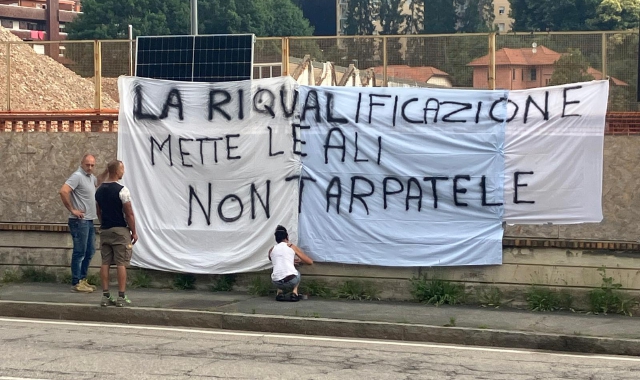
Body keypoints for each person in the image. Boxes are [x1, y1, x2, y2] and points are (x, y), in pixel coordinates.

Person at [95, 160, 138, 307]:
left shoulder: (99, 190)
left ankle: (105, 295)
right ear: (116, 171)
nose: (123, 172)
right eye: (122, 169)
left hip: (105, 230)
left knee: (105, 263)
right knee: (121, 263)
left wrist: (103, 223)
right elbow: (129, 213)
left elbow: (98, 211)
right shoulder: (122, 190)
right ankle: (121, 296)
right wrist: (134, 231)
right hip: (120, 230)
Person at [59, 154, 98, 293]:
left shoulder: (91, 178)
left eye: (92, 165)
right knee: (80, 251)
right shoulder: (77, 176)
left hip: (89, 220)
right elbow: (64, 191)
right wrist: (72, 210)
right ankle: (76, 282)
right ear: (82, 163)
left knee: (90, 250)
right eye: (87, 164)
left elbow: (99, 183)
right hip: (79, 221)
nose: (90, 167)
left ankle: (82, 279)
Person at [268, 225, 313, 302]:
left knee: (277, 270)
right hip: (291, 281)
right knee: (297, 273)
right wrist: (298, 261)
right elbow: (310, 262)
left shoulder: (272, 249)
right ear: (287, 237)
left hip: (276, 282)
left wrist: (289, 260)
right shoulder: (291, 246)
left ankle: (279, 293)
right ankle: (294, 293)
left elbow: (272, 259)